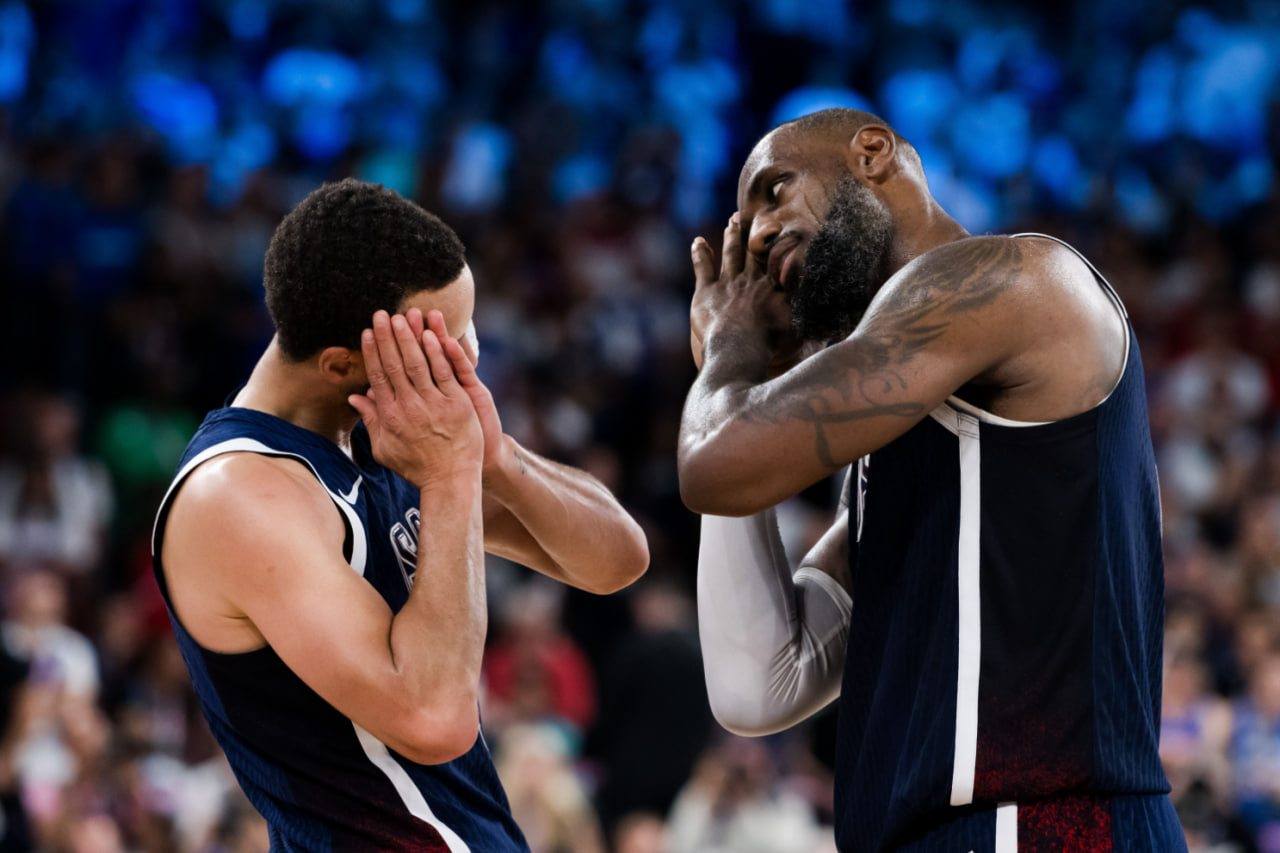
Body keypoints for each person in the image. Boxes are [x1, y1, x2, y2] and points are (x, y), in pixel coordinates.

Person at [678, 108, 1186, 851]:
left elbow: (714, 459)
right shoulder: (888, 442)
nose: (755, 234)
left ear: (873, 153)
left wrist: (729, 352)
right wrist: (737, 374)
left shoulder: (1014, 278)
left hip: (1042, 824)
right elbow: (757, 683)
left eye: (775, 191)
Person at [151, 179, 649, 851]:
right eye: (444, 340)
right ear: (339, 364)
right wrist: (448, 474)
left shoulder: (389, 435)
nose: (472, 355)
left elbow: (618, 559)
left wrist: (496, 457)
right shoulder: (240, 493)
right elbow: (434, 716)